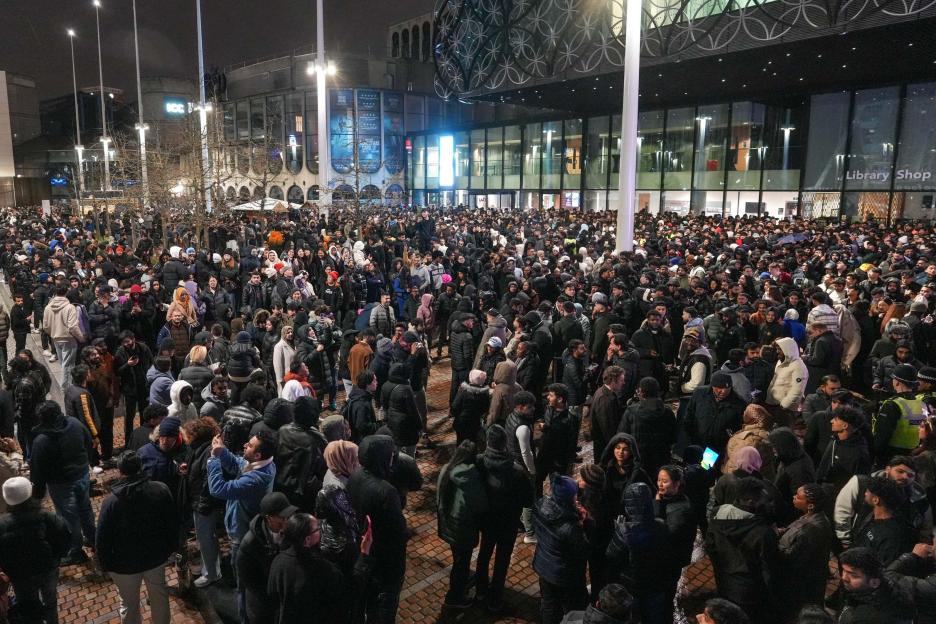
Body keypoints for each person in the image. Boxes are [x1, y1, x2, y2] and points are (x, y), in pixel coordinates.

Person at [96, 450, 176, 624]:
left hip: (123, 565)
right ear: (141, 467)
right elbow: (171, 523)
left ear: (120, 471)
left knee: (129, 604)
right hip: (155, 557)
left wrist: (106, 564)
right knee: (159, 596)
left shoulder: (111, 502)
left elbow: (102, 537)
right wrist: (168, 549)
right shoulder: (160, 490)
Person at [206, 430, 277, 615]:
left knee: (243, 584)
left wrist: (213, 460)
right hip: (241, 527)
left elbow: (219, 489)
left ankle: (244, 616)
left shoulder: (257, 478)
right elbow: (239, 463)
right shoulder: (261, 464)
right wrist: (222, 451)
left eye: (250, 445)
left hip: (243, 535)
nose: (245, 445)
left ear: (258, 455)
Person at [346, 434, 409, 624]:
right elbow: (398, 530)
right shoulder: (385, 490)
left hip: (365, 547)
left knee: (369, 597)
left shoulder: (355, 474)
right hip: (386, 557)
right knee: (386, 603)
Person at [28, 400, 96, 566]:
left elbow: (37, 470)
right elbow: (88, 442)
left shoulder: (41, 440)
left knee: (68, 518)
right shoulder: (74, 423)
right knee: (85, 508)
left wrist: (37, 493)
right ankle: (93, 539)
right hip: (82, 475)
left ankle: (75, 551)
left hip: (61, 484)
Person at [474, 425, 534, 611]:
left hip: (486, 520)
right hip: (508, 523)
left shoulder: (479, 462)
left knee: (484, 554)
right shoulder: (516, 471)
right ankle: (495, 598)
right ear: (504, 443)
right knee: (502, 560)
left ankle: (481, 590)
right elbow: (528, 500)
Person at [706, 476, 781, 622]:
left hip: (723, 581)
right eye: (761, 499)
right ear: (750, 502)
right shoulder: (763, 532)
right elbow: (769, 569)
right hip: (749, 591)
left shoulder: (717, 513)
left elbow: (710, 546)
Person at [0, 476, 70, 624]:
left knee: (28, 607)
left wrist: (9, 570)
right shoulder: (47, 516)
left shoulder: (2, 525)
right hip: (47, 569)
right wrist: (57, 558)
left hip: (20, 576)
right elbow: (63, 539)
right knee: (50, 601)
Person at [605, 481, 672, 624]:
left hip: (632, 588)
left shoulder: (624, 531)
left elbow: (611, 556)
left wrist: (618, 529)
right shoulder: (661, 525)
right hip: (655, 585)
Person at [267, 512, 347, 623]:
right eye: (317, 529)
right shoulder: (321, 568)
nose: (320, 530)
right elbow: (343, 592)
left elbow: (272, 595)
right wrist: (364, 555)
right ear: (307, 540)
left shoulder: (278, 560)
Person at [436, 439, 488, 608]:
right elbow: (480, 504)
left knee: (458, 559)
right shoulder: (471, 477)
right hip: (462, 528)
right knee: (461, 564)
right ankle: (455, 596)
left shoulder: (446, 469)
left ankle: (459, 586)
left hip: (447, 524)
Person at [533, 473, 589, 624]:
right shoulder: (570, 527)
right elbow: (581, 550)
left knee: (549, 604)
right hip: (562, 573)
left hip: (543, 565)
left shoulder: (540, 505)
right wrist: (581, 524)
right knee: (570, 607)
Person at [777, 484, 835, 621]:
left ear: (810, 505)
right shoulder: (810, 516)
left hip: (803, 585)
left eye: (798, 497)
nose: (794, 497)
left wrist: (771, 545)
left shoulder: (813, 528)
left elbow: (792, 556)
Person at [237, 491, 296, 624]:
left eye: (289, 515)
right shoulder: (250, 544)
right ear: (269, 518)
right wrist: (274, 594)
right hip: (263, 607)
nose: (287, 520)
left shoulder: (291, 530)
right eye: (282, 517)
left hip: (283, 604)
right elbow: (248, 580)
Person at [181, 417, 225, 588]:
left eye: (186, 435)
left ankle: (211, 574)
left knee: (206, 539)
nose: (184, 438)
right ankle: (212, 568)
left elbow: (208, 483)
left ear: (195, 435)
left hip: (204, 505)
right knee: (207, 539)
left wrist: (202, 505)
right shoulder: (199, 448)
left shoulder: (207, 452)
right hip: (201, 503)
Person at [315, 440, 362, 576]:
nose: (358, 460)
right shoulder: (338, 487)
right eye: (354, 457)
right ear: (344, 459)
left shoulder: (336, 470)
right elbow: (348, 516)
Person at [274, 395, 327, 511]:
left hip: (281, 485)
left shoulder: (282, 430)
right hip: (303, 493)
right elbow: (322, 469)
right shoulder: (317, 439)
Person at [618, 377, 677, 477]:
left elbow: (622, 436)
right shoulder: (667, 412)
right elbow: (674, 437)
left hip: (638, 461)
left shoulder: (631, 411)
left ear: (641, 392)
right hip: (661, 460)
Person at [839, 547, 914, 623]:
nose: (844, 578)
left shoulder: (867, 618)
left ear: (874, 583)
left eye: (854, 576)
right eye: (844, 571)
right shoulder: (885, 582)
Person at [685, 372, 746, 464]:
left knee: (706, 469)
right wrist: (689, 433)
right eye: (720, 388)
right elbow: (689, 413)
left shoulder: (739, 403)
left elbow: (739, 427)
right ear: (712, 386)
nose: (723, 391)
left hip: (714, 448)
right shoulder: (700, 394)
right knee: (691, 468)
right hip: (695, 441)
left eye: (727, 388)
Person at [874, 363, 925, 466]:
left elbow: (882, 435)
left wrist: (875, 455)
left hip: (890, 457)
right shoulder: (920, 403)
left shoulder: (893, 404)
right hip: (911, 456)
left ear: (896, 382)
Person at [817, 405, 872, 494]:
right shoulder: (834, 441)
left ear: (845, 425)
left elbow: (859, 482)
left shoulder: (859, 452)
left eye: (835, 419)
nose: (831, 421)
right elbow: (822, 468)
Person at [113, 330, 153, 447]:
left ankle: (144, 440)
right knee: (129, 417)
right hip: (129, 390)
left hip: (143, 387)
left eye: (127, 341)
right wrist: (127, 365)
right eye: (123, 342)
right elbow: (117, 371)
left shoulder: (143, 348)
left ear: (133, 339)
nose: (125, 344)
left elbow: (151, 362)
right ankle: (129, 443)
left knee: (144, 415)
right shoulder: (120, 352)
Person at [43, 282, 85, 392]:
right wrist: (81, 338)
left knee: (63, 364)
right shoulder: (70, 307)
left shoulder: (48, 307)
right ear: (66, 292)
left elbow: (45, 326)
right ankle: (66, 389)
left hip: (55, 338)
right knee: (68, 365)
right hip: (68, 339)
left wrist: (53, 332)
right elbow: (72, 327)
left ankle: (67, 388)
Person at [766, 336, 809, 427]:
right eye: (777, 349)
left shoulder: (798, 366)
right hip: (774, 405)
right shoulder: (780, 362)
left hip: (785, 410)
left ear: (788, 350)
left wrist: (785, 405)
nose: (777, 351)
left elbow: (798, 389)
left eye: (780, 349)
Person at [450, 369, 490, 445]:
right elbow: (485, 408)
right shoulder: (484, 394)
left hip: (462, 423)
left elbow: (455, 407)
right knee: (473, 442)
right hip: (475, 423)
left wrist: (454, 414)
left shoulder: (463, 391)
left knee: (461, 443)